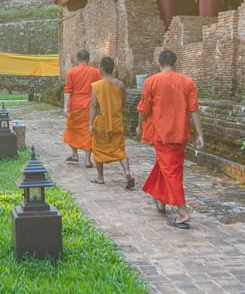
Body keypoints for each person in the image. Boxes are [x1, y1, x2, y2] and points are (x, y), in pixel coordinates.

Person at [136, 48, 203, 228]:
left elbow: (143, 108)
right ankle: (160, 200)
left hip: (161, 133)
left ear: (159, 63)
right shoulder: (188, 82)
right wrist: (200, 134)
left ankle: (183, 212)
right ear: (175, 63)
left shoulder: (151, 81)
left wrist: (139, 126)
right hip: (180, 133)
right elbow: (194, 110)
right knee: (167, 166)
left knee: (170, 171)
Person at [88, 56, 135, 190]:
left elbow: (93, 106)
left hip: (101, 121)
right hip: (116, 121)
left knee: (98, 148)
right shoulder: (120, 84)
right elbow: (123, 102)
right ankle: (127, 172)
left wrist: (90, 124)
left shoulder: (97, 85)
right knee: (119, 148)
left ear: (101, 68)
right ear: (113, 68)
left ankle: (100, 177)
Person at [61, 48, 100, 167]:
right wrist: (99, 106)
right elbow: (99, 89)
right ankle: (87, 160)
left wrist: (65, 107)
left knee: (72, 130)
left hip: (75, 105)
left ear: (77, 59)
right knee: (88, 131)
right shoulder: (95, 72)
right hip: (90, 105)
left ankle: (75, 154)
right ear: (88, 59)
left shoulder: (71, 72)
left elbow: (68, 90)